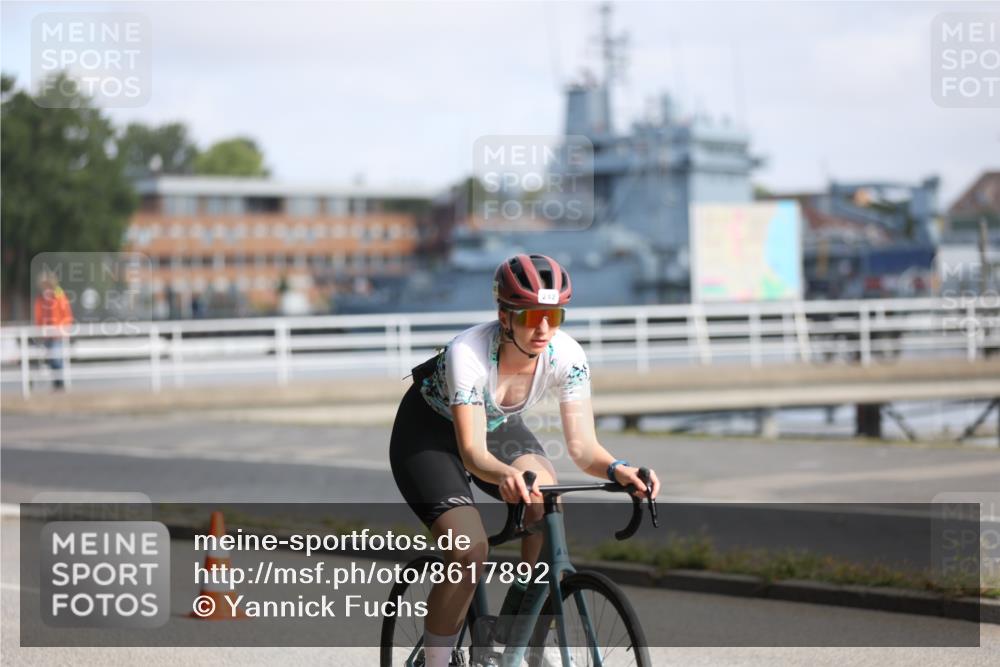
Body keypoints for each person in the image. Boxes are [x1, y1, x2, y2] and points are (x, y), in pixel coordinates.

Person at [389, 253, 660, 667]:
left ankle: (521, 633)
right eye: (532, 317)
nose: (544, 329)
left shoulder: (566, 356)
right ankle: (437, 660)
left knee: (545, 493)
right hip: (427, 435)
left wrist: (617, 469)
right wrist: (506, 476)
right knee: (469, 549)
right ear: (504, 315)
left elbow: (584, 448)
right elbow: (473, 453)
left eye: (554, 315)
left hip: (494, 424)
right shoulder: (469, 353)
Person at [33, 271, 74, 390]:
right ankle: (57, 384)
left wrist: (62, 329)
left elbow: (67, 316)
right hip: (46, 335)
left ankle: (59, 384)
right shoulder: (41, 299)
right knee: (50, 358)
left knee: (56, 358)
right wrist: (40, 331)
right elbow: (39, 317)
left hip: (57, 335)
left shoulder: (59, 296)